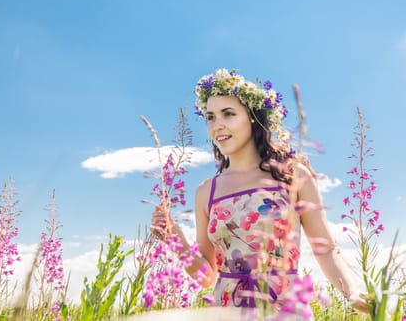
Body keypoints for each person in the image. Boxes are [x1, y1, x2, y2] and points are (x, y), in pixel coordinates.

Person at [152, 68, 369, 318]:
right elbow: (207, 277)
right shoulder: (206, 191)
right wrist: (176, 241)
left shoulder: (292, 175)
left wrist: (351, 292)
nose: (217, 125)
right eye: (210, 117)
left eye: (228, 114)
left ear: (254, 117)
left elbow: (326, 249)